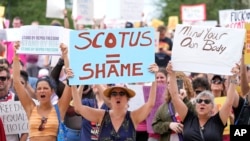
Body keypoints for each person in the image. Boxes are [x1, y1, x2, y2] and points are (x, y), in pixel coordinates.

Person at [70, 64, 158, 140]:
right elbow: (78, 107)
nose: (118, 96)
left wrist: (154, 77)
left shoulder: (133, 117)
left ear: (127, 98)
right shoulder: (101, 115)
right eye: (114, 94)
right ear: (110, 99)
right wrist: (73, 82)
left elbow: (150, 104)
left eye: (122, 93)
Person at [12, 42, 72, 141]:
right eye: (39, 89)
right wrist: (16, 55)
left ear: (52, 91)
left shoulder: (59, 109)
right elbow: (17, 83)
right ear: (36, 92)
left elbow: (70, 83)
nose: (42, 91)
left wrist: (65, 56)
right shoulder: (30, 108)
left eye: (45, 88)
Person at [166, 62, 238, 141]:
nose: (202, 103)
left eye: (207, 101)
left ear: (212, 107)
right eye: (199, 101)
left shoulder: (218, 121)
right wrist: (172, 74)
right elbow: (175, 97)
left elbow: (229, 102)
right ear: (196, 104)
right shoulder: (188, 118)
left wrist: (234, 77)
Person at [152, 71, 195, 141]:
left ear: (184, 84)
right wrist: (169, 125)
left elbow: (197, 119)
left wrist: (185, 100)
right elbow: (154, 126)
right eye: (168, 83)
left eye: (174, 82)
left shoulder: (193, 102)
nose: (170, 85)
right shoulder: (164, 107)